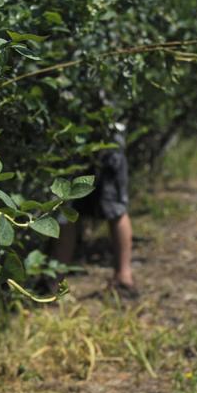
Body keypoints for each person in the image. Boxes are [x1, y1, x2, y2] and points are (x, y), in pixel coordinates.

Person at [53, 123, 137, 298]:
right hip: (101, 134)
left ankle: (55, 283)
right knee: (68, 207)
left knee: (66, 206)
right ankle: (55, 282)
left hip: (93, 134)